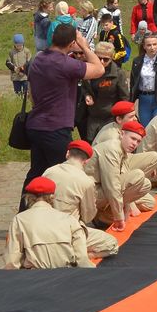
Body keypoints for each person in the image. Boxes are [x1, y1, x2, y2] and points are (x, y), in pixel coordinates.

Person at [25, 23, 104, 188]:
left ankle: (26, 210)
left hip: (35, 124)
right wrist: (84, 44)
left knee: (37, 173)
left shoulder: (38, 58)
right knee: (63, 173)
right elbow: (99, 69)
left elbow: (32, 91)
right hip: (56, 127)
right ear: (71, 44)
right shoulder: (65, 64)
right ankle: (60, 210)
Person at [44, 140, 119, 259]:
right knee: (111, 244)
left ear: (67, 154)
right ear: (87, 160)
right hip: (66, 231)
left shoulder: (49, 171)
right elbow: (88, 216)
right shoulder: (86, 181)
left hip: (43, 227)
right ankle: (77, 256)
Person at [3, 176, 92, 270]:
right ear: (52, 197)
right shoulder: (69, 219)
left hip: (36, 276)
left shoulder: (19, 219)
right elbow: (82, 258)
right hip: (65, 274)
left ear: (28, 197)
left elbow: (12, 260)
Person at [90, 120, 155, 231]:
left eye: (138, 141)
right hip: (89, 193)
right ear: (122, 134)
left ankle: (107, 214)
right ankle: (100, 217)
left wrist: (127, 209)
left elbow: (122, 178)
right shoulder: (112, 148)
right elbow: (112, 186)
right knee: (137, 175)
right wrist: (119, 217)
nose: (135, 144)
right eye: (133, 138)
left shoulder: (122, 150)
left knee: (145, 185)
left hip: (100, 189)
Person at [79, 41, 129, 141]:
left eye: (106, 59)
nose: (101, 61)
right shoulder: (89, 69)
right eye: (99, 58)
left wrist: (121, 119)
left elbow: (124, 98)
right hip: (92, 117)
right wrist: (86, 95)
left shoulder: (118, 74)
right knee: (91, 145)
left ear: (111, 58)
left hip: (110, 119)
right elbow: (84, 87)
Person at [129, 33, 157, 126]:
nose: (152, 47)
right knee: (145, 127)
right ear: (144, 46)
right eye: (149, 45)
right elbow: (133, 82)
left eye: (155, 44)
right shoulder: (137, 61)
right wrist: (131, 101)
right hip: (144, 98)